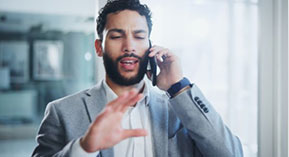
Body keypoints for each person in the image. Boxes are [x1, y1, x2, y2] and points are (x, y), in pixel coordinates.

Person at [32, 0, 243, 156]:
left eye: (139, 36)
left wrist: (178, 87)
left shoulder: (179, 109)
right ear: (99, 47)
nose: (129, 46)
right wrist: (84, 148)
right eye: (116, 36)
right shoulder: (61, 112)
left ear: (150, 46)